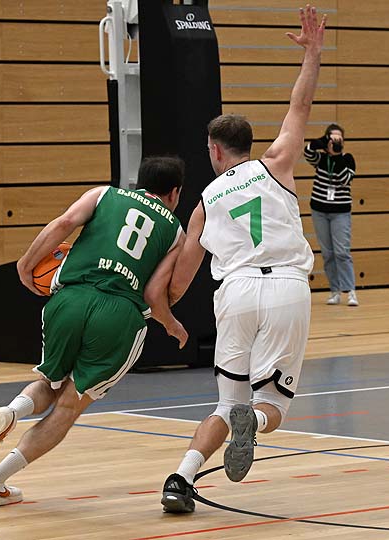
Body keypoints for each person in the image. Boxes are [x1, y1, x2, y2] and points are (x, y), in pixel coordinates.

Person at [156, 5, 326, 513]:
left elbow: (180, 280)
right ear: (247, 146)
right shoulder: (277, 164)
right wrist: (313, 53)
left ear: (214, 150)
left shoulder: (204, 203)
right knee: (270, 404)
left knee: (226, 403)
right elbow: (300, 106)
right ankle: (256, 420)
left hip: (235, 293)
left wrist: (159, 305)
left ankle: (180, 479)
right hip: (287, 287)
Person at [0, 156, 188, 507]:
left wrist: (25, 265)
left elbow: (64, 223)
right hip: (118, 314)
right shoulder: (175, 231)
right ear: (175, 193)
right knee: (68, 406)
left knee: (49, 383)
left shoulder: (104, 194)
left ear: (137, 182)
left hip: (69, 297)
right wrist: (172, 325)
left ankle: (12, 411)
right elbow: (154, 294)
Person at [304, 124, 357, 306]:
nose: (335, 142)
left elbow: (344, 179)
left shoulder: (347, 159)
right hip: (319, 211)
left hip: (340, 212)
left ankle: (350, 291)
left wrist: (336, 156)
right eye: (332, 138)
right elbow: (308, 151)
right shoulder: (321, 158)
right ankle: (335, 291)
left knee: (342, 252)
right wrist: (322, 143)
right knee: (327, 253)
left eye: (339, 139)